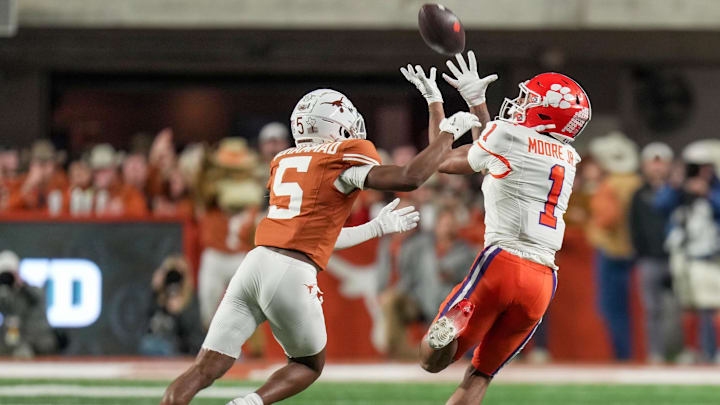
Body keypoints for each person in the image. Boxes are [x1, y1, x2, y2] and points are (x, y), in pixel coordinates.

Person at [160, 88, 479, 405]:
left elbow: (313, 235)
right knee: (307, 365)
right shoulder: (340, 160)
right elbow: (411, 177)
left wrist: (375, 227)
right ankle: (250, 404)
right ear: (333, 125)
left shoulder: (283, 159)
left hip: (255, 263)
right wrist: (446, 135)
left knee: (204, 368)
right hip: (291, 272)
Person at [402, 51, 590, 404]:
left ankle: (448, 333)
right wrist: (477, 103)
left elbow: (440, 160)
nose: (520, 103)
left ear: (547, 113)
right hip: (542, 279)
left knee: (431, 360)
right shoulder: (569, 157)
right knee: (479, 376)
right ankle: (453, 338)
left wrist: (435, 104)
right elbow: (493, 155)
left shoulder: (507, 136)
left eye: (529, 100)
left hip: (501, 262)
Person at [380, 205, 475, 358]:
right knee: (391, 300)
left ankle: (445, 354)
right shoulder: (422, 247)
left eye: (451, 224)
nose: (447, 228)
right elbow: (408, 274)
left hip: (448, 307)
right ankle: (398, 352)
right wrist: (398, 291)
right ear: (437, 225)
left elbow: (469, 283)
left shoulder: (466, 251)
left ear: (457, 226)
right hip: (419, 300)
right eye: (445, 224)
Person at [659, 139, 720, 363]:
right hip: (683, 254)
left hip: (709, 255)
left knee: (713, 303)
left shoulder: (715, 188)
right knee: (688, 304)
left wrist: (708, 194)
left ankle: (715, 351)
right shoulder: (679, 188)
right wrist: (675, 184)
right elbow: (660, 205)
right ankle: (692, 349)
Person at [587, 132, 642, 360]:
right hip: (633, 250)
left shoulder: (609, 185)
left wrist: (592, 223)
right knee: (633, 309)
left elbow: (607, 219)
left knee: (612, 308)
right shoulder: (636, 182)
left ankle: (622, 355)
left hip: (611, 251)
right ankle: (628, 353)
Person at [629, 142, 678, 363]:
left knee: (679, 308)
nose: (657, 168)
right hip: (649, 258)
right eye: (653, 163)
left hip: (676, 257)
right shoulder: (638, 194)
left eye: (661, 164)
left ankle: (680, 352)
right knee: (652, 309)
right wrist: (641, 253)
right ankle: (655, 353)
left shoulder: (678, 192)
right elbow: (634, 226)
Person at [0, 250, 57, 357]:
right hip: (13, 341)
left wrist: (21, 284)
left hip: (37, 341)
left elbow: (37, 298)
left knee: (23, 352)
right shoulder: (5, 294)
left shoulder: (31, 291)